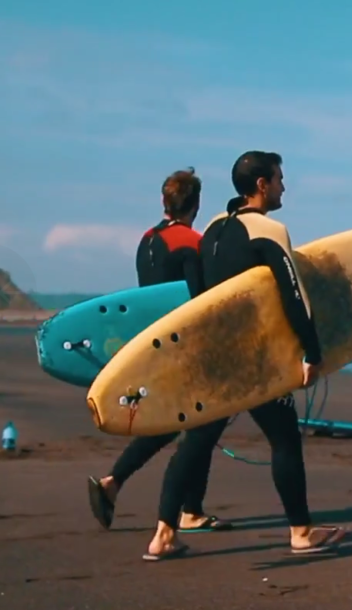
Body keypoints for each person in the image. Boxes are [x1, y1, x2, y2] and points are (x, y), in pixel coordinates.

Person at [142, 150, 347, 561]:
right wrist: (311, 351)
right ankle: (301, 532)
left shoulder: (214, 230)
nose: (283, 186)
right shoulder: (268, 231)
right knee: (285, 438)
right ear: (261, 185)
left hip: (214, 355)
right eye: (279, 178)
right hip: (254, 362)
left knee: (197, 439)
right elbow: (293, 294)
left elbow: (199, 294)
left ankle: (163, 534)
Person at [87, 168, 231, 533]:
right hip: (185, 347)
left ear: (165, 202)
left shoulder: (147, 241)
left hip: (154, 343)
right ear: (195, 204)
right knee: (202, 425)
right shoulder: (190, 242)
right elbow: (198, 302)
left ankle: (120, 484)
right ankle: (183, 513)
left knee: (176, 425)